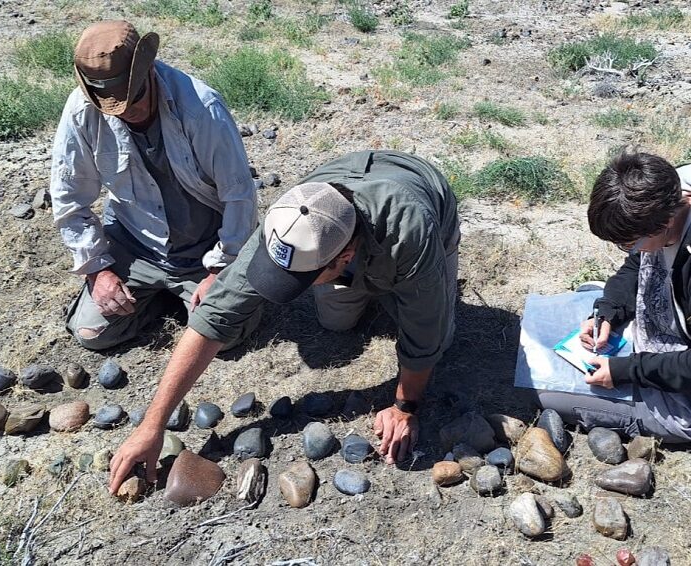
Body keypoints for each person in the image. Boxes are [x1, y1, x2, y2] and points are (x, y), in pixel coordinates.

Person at [108, 150, 461, 492]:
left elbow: (424, 333)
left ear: (344, 258)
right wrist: (151, 425)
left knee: (438, 336)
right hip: (346, 225)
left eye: (301, 276)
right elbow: (213, 318)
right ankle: (377, 287)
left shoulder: (410, 230)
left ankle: (398, 283)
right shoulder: (291, 218)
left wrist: (404, 407)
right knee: (337, 322)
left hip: (425, 212)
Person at [538, 152, 691, 457]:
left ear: (666, 221)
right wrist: (609, 310)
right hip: (663, 342)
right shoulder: (663, 203)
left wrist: (623, 370)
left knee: (546, 395)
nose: (627, 250)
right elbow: (636, 266)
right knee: (592, 297)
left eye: (627, 242)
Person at [50, 20, 256, 350]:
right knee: (92, 334)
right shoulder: (80, 112)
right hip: (135, 245)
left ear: (149, 70)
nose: (127, 111)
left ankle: (172, 294)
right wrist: (97, 272)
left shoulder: (201, 107)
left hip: (204, 247)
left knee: (224, 337)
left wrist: (221, 269)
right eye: (114, 105)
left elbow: (239, 195)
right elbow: (69, 200)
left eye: (135, 98)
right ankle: (161, 295)